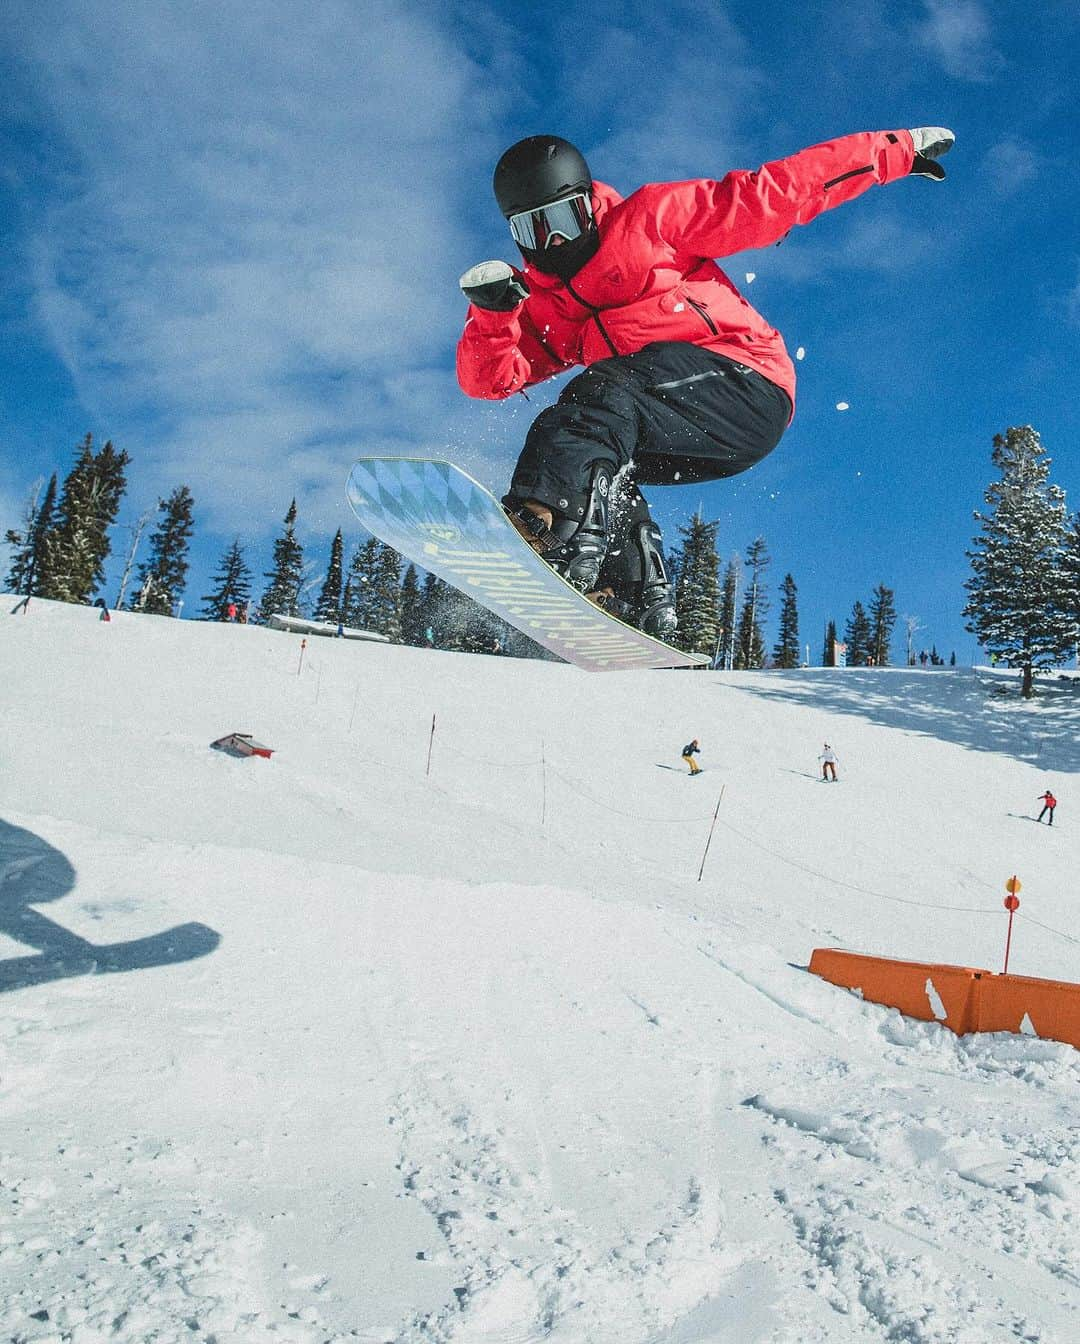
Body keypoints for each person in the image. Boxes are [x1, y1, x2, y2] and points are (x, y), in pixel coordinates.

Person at [457, 127, 955, 637]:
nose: (554, 241)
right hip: (683, 423)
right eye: (533, 231)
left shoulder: (651, 220)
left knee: (598, 396)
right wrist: (493, 317)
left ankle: (545, 524)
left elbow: (769, 195)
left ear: (588, 204)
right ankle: (630, 594)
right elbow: (493, 380)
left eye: (563, 219)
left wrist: (890, 153)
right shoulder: (550, 307)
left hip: (745, 382)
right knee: (601, 464)